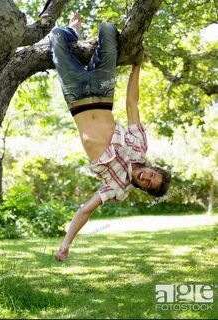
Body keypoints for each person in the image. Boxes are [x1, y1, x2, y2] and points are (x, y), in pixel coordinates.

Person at [49, 13, 171, 262]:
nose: (146, 177)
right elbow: (131, 102)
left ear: (143, 188)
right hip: (103, 93)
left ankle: (71, 31)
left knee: (56, 37)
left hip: (75, 97)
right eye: (153, 174)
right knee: (107, 29)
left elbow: (85, 210)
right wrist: (138, 65)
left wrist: (66, 243)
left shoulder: (117, 187)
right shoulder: (140, 145)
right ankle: (78, 32)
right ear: (153, 167)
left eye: (148, 183)